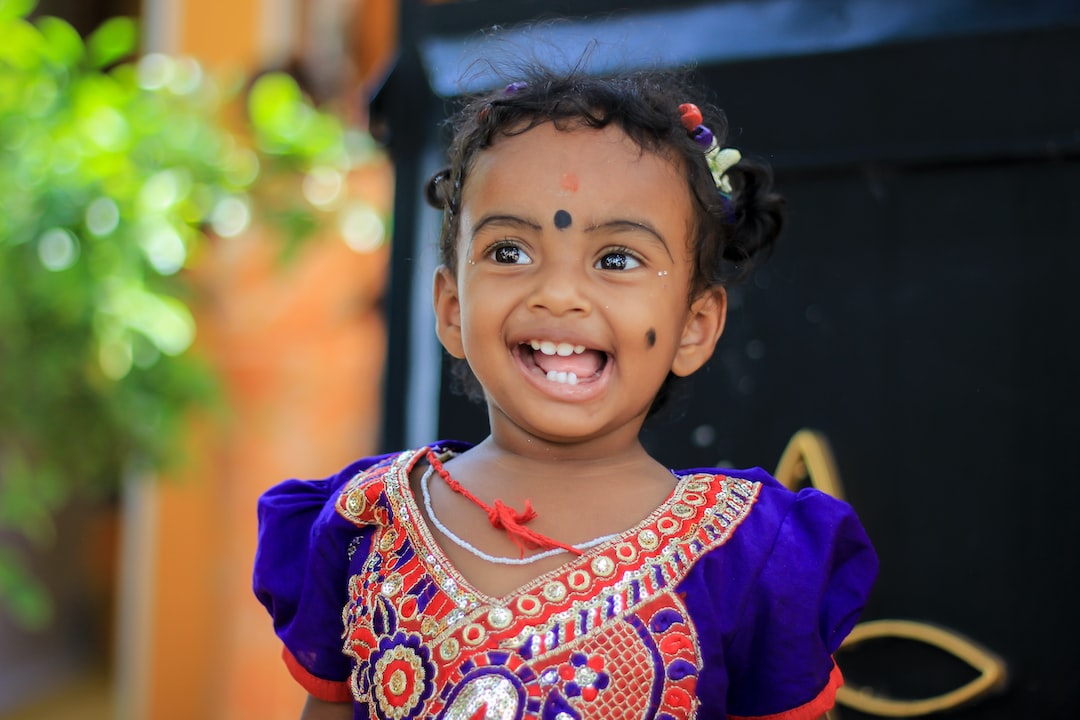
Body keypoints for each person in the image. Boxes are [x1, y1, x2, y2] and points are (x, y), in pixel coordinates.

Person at [253, 59, 878, 720]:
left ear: (694, 327)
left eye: (616, 260)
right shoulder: (362, 524)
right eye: (508, 253)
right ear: (452, 308)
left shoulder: (751, 557)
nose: (557, 293)